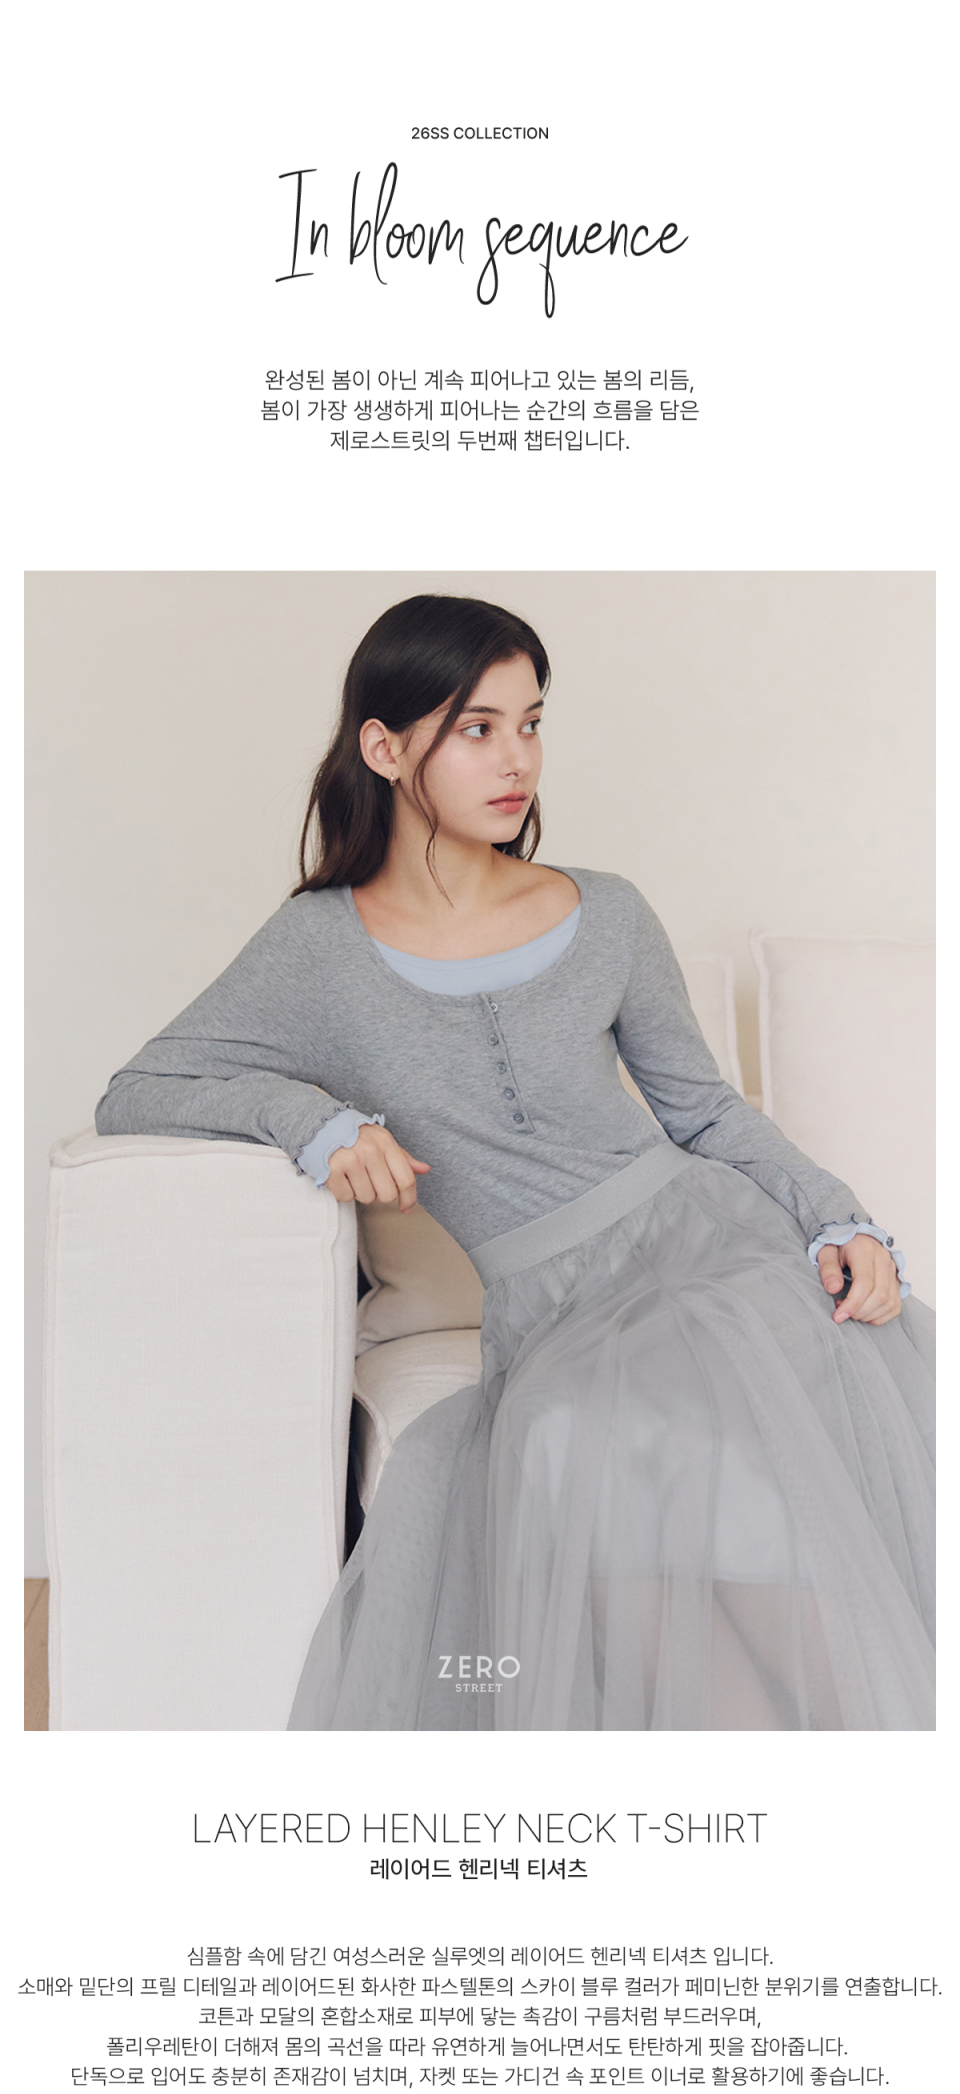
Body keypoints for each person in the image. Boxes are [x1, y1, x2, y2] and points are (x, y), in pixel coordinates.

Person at [96, 593, 935, 1731]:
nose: (517, 760)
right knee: (569, 1449)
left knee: (710, 1489)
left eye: (531, 723)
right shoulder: (316, 950)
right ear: (384, 748)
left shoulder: (608, 913)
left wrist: (839, 1218)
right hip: (550, 1306)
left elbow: (705, 1115)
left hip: (711, 1251)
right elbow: (140, 1087)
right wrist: (310, 1119)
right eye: (477, 728)